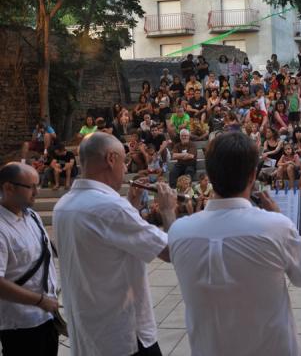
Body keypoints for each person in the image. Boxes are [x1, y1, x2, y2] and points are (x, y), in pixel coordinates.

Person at [168, 132, 301, 355]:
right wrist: (280, 218)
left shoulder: (179, 231)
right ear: (253, 175)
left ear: (210, 176)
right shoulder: (277, 226)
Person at [53, 132, 177, 356]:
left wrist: (131, 205)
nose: (125, 167)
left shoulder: (64, 204)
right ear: (111, 159)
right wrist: (168, 210)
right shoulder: (110, 207)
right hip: (124, 335)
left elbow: (107, 240)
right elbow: (171, 252)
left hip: (90, 329)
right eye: (124, 160)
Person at [0, 163, 59, 356]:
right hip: (21, 325)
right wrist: (40, 300)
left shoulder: (32, 215)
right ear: (8, 187)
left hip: (47, 317)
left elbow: (43, 250)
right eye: (31, 187)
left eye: (38, 185)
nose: (37, 192)